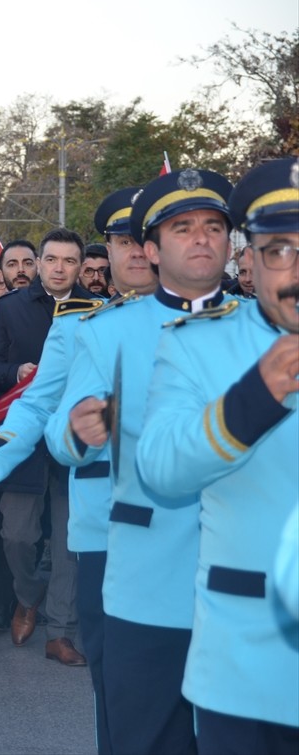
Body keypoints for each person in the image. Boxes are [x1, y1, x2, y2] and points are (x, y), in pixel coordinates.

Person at [0, 186, 158, 752]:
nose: (135, 252)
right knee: (115, 681)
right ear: (108, 254)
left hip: (192, 525)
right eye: (121, 242)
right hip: (104, 520)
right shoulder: (79, 324)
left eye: (144, 239)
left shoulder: (227, 322)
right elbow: (38, 402)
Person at [46, 168, 235, 755]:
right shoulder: (105, 332)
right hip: (140, 566)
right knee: (143, 729)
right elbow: (59, 432)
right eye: (182, 229)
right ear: (153, 250)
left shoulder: (267, 331)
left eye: (213, 227)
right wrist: (78, 432)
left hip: (242, 570)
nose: (200, 239)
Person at [136, 158, 298, 753]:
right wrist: (252, 399)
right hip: (247, 658)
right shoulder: (199, 346)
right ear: (249, 258)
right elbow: (161, 467)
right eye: (280, 250)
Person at [0, 228, 90, 660]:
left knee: (69, 542)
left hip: (76, 441)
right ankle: (28, 595)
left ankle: (60, 631)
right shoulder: (10, 309)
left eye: (69, 261)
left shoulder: (98, 311)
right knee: (17, 535)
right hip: (22, 441)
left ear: (80, 266)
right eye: (52, 259)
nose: (60, 268)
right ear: (39, 263)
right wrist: (15, 373)